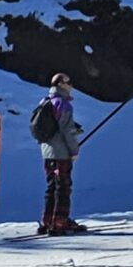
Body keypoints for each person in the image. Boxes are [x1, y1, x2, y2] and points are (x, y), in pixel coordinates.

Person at [29, 73, 88, 236]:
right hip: (61, 153)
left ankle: (48, 220)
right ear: (61, 84)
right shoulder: (63, 104)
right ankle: (60, 222)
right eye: (69, 82)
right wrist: (74, 151)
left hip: (47, 152)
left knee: (52, 187)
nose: (71, 86)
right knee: (63, 187)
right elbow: (66, 131)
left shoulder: (45, 101)